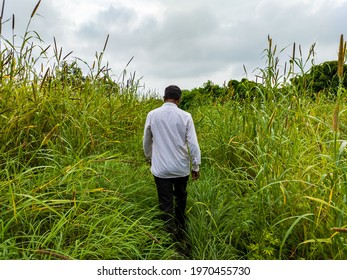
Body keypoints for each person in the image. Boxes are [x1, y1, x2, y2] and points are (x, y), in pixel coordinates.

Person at [143, 85, 201, 236]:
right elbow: (193, 144)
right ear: (179, 100)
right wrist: (195, 166)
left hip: (161, 169)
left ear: (164, 98)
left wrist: (150, 158)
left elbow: (146, 141)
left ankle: (169, 231)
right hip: (181, 168)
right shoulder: (186, 116)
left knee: (165, 200)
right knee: (181, 197)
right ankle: (181, 227)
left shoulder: (152, 115)